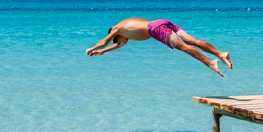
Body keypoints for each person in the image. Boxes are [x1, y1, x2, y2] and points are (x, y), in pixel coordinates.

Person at [86, 17, 233, 76]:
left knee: (183, 47)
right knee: (193, 41)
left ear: (115, 34)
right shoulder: (126, 27)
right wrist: (102, 52)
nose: (119, 42)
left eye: (116, 40)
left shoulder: (117, 29)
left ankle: (210, 63)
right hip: (161, 22)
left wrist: (93, 48)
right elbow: (119, 44)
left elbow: (104, 40)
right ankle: (220, 54)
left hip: (155, 29)